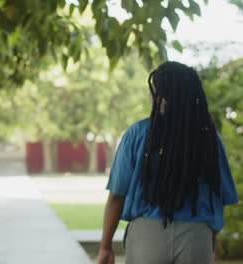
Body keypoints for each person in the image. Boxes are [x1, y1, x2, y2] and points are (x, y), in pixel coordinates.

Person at [98, 61, 238, 264]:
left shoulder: (138, 133)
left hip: (147, 236)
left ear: (160, 96)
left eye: (152, 90)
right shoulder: (208, 137)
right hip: (196, 236)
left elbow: (117, 197)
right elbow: (217, 194)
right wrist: (211, 239)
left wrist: (105, 246)